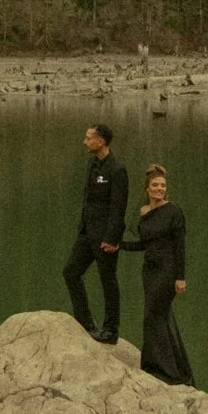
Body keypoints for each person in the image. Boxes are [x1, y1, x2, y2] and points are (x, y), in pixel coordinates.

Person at [119, 163, 193, 385]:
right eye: (155, 185)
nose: (159, 189)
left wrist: (180, 277)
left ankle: (166, 372)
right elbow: (145, 244)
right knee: (160, 317)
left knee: (154, 316)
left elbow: (180, 247)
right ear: (147, 188)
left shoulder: (173, 212)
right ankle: (165, 366)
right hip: (150, 271)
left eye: (162, 185)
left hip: (168, 271)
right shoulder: (143, 212)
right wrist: (119, 246)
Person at [64, 123, 127, 344]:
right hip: (86, 232)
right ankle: (85, 322)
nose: (85, 141)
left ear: (100, 141)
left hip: (105, 237)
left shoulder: (117, 169)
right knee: (71, 272)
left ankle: (111, 330)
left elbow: (118, 207)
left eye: (88, 137)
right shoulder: (92, 164)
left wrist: (112, 238)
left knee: (108, 281)